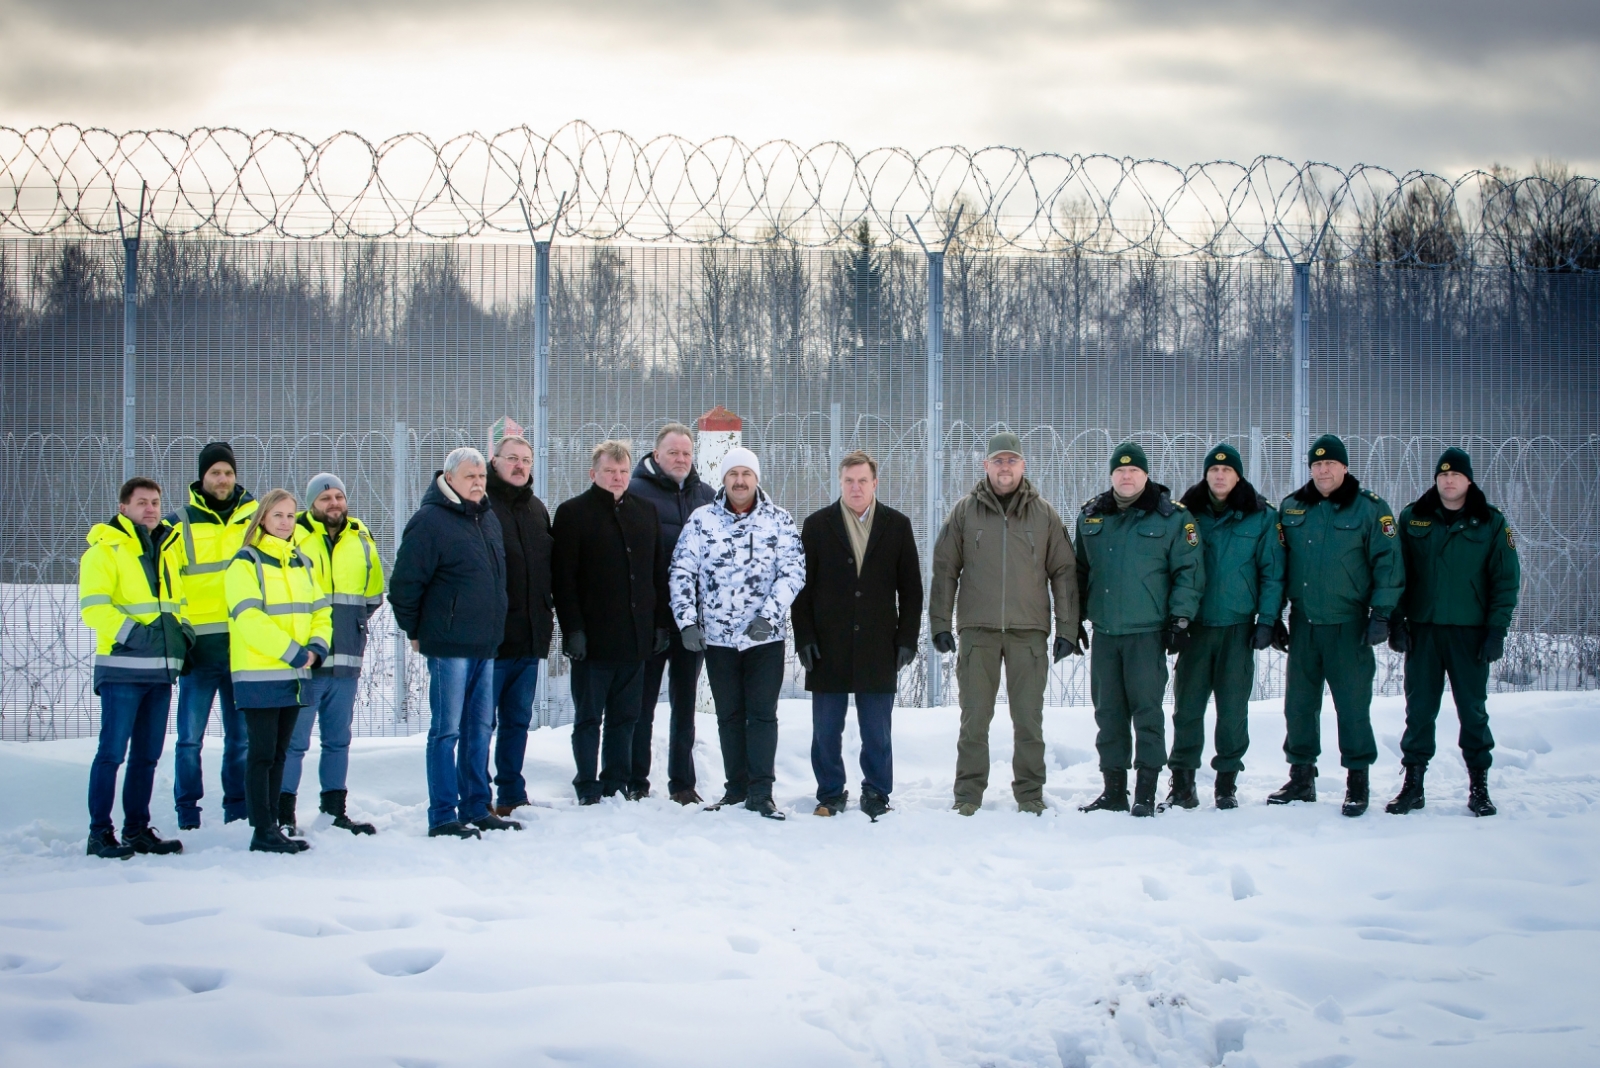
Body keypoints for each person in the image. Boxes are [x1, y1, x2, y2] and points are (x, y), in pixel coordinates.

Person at [930, 432, 1079, 817]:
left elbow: (1063, 573)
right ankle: (968, 794)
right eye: (998, 460)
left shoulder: (1044, 514)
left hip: (1027, 632)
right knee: (974, 718)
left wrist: (1066, 630)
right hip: (977, 631)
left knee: (1028, 720)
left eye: (1012, 460)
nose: (1005, 467)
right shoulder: (965, 512)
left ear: (1023, 465)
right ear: (986, 466)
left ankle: (1030, 793)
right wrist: (941, 624)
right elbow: (946, 569)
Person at [1270, 433, 1404, 817]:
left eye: (1330, 463)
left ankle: (1357, 781)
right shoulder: (1293, 508)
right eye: (1317, 463)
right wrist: (1275, 616)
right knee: (1299, 705)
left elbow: (1388, 563)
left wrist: (1382, 614)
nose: (1323, 469)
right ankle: (1301, 777)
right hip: (1304, 623)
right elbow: (1279, 567)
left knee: (1352, 705)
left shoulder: (1369, 510)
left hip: (1349, 625)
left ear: (1344, 467)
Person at [670, 446, 806, 819]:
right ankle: (736, 788)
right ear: (724, 479)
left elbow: (794, 571)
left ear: (756, 479)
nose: (740, 481)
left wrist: (770, 615)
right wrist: (687, 621)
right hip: (717, 639)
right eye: (733, 474)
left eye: (746, 474)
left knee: (761, 715)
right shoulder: (702, 521)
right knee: (729, 715)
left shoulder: (779, 521)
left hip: (764, 638)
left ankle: (761, 792)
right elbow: (682, 570)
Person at [1386, 447, 1520, 817]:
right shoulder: (1415, 518)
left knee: (1473, 711)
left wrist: (1497, 631)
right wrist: (1397, 622)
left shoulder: (1490, 523)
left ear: (1468, 480)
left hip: (1469, 633)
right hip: (1424, 632)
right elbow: (1399, 574)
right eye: (1442, 475)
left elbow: (1505, 581)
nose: (1448, 480)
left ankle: (1479, 787)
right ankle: (1413, 785)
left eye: (1456, 475)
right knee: (1419, 710)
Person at [1075, 442, 1205, 817]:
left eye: (1133, 471)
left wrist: (1180, 619)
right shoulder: (1093, 517)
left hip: (1147, 633)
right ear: (1111, 475)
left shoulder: (1172, 519)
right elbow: (1079, 572)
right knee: (1109, 714)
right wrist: (1075, 620)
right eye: (1119, 471)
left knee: (1147, 712)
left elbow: (1189, 572)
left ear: (1146, 474)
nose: (1126, 477)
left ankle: (1145, 791)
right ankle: (1113, 790)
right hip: (1106, 633)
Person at [792, 450, 922, 820]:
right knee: (826, 731)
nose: (856, 487)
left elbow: (911, 590)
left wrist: (907, 639)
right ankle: (830, 792)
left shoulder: (896, 525)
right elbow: (802, 588)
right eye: (849, 481)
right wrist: (804, 637)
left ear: (875, 482)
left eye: (863, 480)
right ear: (840, 482)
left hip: (879, 644)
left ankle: (877, 791)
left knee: (877, 732)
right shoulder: (817, 525)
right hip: (828, 645)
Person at [389, 446, 512, 839]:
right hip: (449, 647)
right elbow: (405, 585)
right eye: (470, 477)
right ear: (449, 479)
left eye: (481, 477)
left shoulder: (488, 518)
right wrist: (416, 631)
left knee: (480, 729)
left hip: (484, 645)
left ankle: (477, 805)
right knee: (447, 732)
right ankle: (443, 814)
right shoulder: (430, 521)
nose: (478, 483)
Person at [553, 440, 672, 804]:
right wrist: (573, 629)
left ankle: (616, 782)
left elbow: (656, 574)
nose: (617, 478)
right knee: (589, 719)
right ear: (594, 474)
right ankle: (587, 785)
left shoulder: (645, 511)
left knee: (626, 718)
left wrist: (660, 623)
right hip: (592, 641)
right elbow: (564, 580)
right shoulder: (573, 513)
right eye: (610, 472)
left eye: (623, 472)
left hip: (635, 640)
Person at [79, 477, 191, 859]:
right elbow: (94, 606)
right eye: (142, 502)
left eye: (156, 502)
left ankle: (137, 829)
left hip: (159, 672)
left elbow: (180, 601)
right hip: (123, 670)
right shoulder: (105, 550)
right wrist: (136, 635)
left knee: (147, 755)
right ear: (124, 507)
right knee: (111, 753)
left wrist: (184, 635)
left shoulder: (169, 547)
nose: (150, 508)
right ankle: (99, 833)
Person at [1171, 444, 1284, 809]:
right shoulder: (1186, 514)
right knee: (1187, 708)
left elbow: (1272, 573)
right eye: (1213, 470)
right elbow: (1170, 569)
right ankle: (1183, 783)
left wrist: (1267, 620)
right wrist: (1174, 619)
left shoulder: (1260, 516)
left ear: (1238, 476)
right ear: (1206, 475)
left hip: (1237, 628)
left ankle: (1226, 783)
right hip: (1196, 627)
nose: (1220, 476)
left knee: (1233, 710)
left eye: (1227, 470)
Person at [224, 489, 331, 854]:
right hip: (260, 673)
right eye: (278, 516)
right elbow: (248, 618)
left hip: (296, 672)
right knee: (262, 754)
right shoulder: (245, 562)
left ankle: (272, 826)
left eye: (290, 516)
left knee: (281, 753)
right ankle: (261, 829)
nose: (285, 522)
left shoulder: (300, 562)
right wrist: (293, 653)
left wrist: (316, 648)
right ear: (263, 519)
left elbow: (321, 610)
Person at [281, 473, 384, 837]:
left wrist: (352, 625)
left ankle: (333, 810)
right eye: (326, 499)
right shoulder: (293, 536)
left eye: (339, 497)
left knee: (338, 739)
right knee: (295, 741)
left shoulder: (361, 536)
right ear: (311, 504)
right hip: (307, 658)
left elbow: (373, 595)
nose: (334, 504)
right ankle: (284, 814)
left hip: (347, 658)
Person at [164, 441, 258, 830]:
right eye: (215, 473)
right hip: (199, 650)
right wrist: (181, 640)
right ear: (202, 477)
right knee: (189, 740)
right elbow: (170, 586)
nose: (222, 479)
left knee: (241, 740)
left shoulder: (256, 517)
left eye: (228, 473)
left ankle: (237, 809)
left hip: (243, 649)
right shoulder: (179, 522)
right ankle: (188, 812)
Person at [627, 422, 715, 804]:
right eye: (673, 452)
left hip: (692, 624)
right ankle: (635, 781)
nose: (680, 459)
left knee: (684, 706)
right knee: (641, 706)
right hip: (650, 622)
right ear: (656, 455)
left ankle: (682, 784)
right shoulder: (633, 492)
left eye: (686, 453)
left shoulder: (708, 495)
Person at [484, 434, 554, 818]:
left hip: (529, 637)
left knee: (517, 722)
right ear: (495, 461)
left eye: (525, 460)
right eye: (511, 458)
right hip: (493, 641)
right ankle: (479, 794)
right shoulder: (481, 506)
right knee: (482, 723)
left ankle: (511, 792)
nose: (519, 466)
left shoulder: (536, 510)